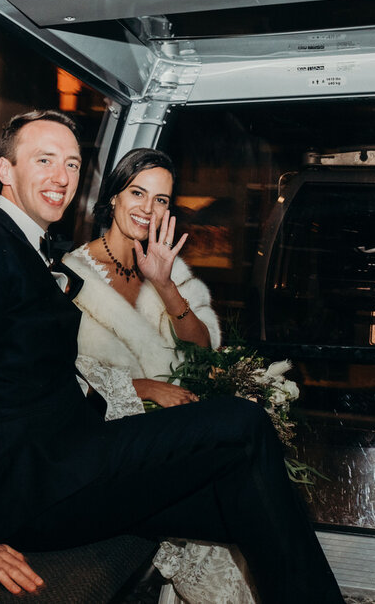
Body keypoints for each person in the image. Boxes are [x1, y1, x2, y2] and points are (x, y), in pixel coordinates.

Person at [0, 110, 344, 603]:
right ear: (6, 171)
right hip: (30, 490)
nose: (62, 178)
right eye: (45, 160)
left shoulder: (29, 249)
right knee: (241, 421)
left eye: (73, 165)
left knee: (245, 489)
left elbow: (27, 368)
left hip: (71, 456)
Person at [62, 148, 257, 603]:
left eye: (162, 200)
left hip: (174, 433)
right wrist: (142, 388)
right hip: (106, 442)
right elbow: (57, 380)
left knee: (238, 479)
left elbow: (203, 353)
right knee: (227, 495)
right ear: (112, 197)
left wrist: (166, 285)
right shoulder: (67, 277)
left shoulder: (168, 266)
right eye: (138, 193)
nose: (148, 209)